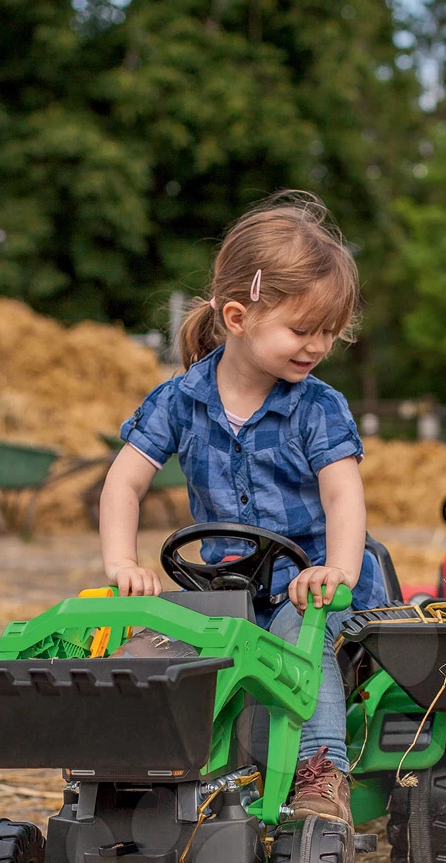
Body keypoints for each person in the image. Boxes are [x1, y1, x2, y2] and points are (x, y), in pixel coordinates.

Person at [98, 191, 387, 828]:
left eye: (328, 334)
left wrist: (335, 569)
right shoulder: (178, 401)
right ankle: (154, 782)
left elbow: (343, 492)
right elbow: (123, 484)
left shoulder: (318, 407)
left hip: (314, 588)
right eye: (302, 330)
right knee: (151, 644)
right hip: (229, 588)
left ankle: (321, 772)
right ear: (237, 316)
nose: (316, 347)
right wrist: (124, 562)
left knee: (293, 638)